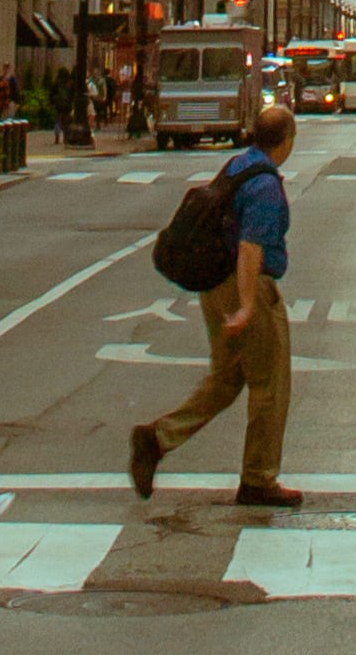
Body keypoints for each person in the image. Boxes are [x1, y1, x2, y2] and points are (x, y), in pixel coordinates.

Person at [127, 98, 300, 511]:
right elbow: (250, 248)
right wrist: (245, 306)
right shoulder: (265, 185)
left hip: (212, 285)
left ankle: (157, 438)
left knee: (226, 379)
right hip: (247, 287)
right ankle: (259, 478)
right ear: (287, 141)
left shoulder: (239, 166)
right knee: (269, 385)